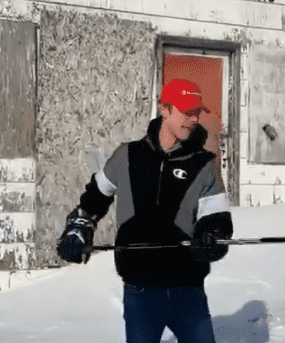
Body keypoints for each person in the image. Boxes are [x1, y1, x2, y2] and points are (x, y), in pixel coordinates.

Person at [56, 78, 234, 343]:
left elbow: (217, 221)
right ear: (165, 109)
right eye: (186, 111)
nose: (193, 119)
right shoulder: (127, 156)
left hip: (187, 289)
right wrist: (77, 231)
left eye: (196, 112)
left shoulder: (204, 164)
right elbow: (92, 202)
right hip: (141, 291)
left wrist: (211, 237)